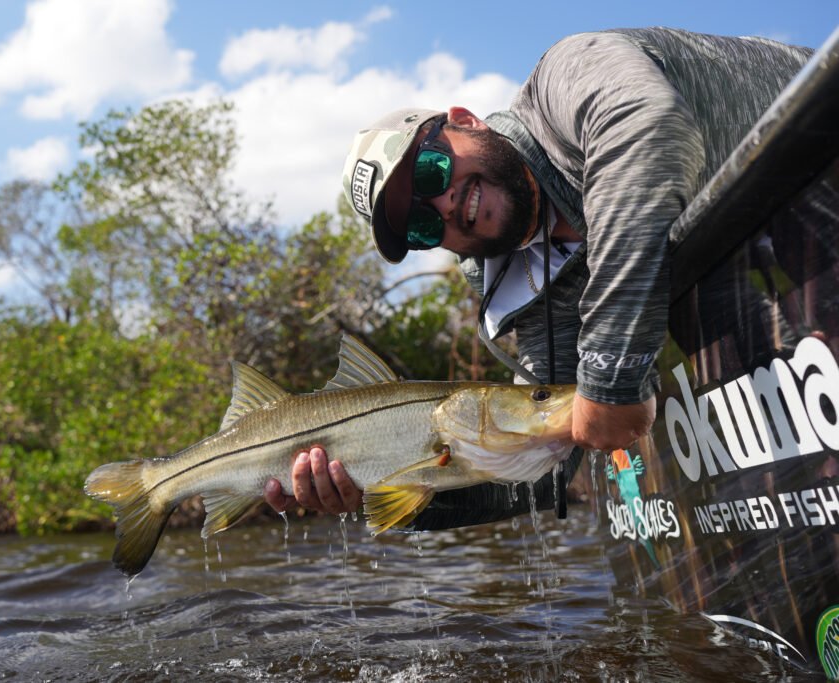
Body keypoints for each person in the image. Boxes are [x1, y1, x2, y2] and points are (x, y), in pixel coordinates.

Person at [264, 27, 813, 522]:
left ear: (465, 121)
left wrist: (610, 376)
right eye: (422, 226)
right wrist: (383, 485)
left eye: (431, 171)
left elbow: (653, 128)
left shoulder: (568, 77)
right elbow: (540, 465)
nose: (445, 204)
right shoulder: (515, 284)